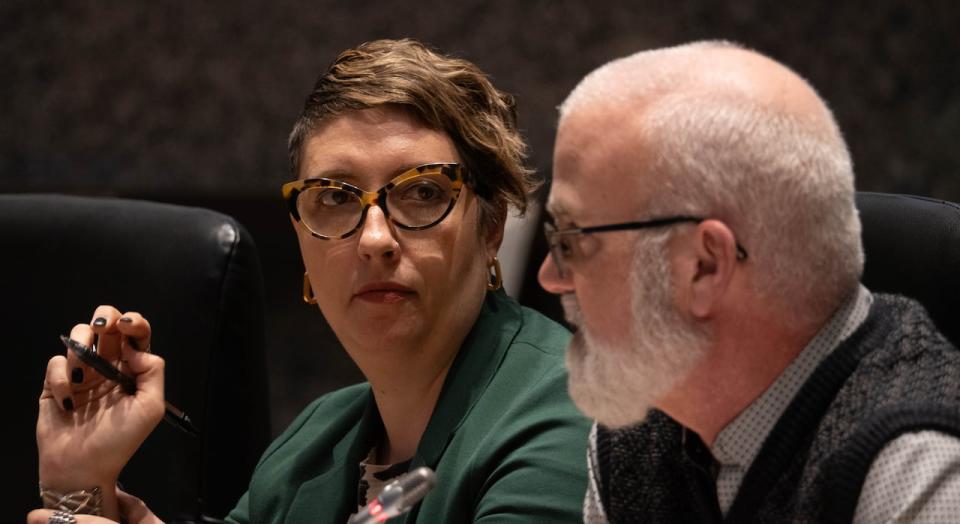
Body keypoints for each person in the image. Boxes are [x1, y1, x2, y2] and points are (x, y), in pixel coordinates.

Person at [30, 39, 590, 524]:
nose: (374, 238)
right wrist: (82, 484)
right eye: (334, 198)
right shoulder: (317, 440)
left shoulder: (569, 419)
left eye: (423, 192)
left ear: (490, 227)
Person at [537, 40, 960, 523]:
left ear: (704, 266)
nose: (549, 277)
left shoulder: (923, 473)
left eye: (572, 243)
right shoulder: (635, 430)